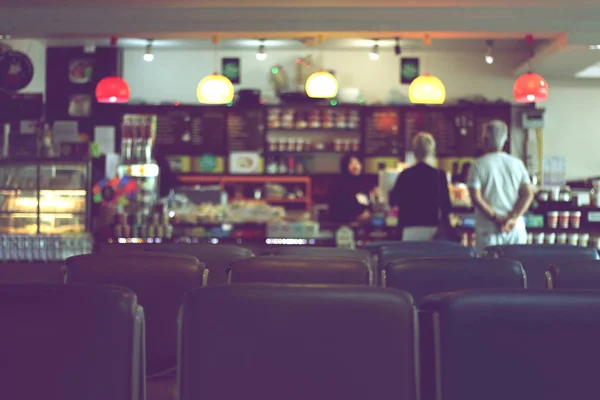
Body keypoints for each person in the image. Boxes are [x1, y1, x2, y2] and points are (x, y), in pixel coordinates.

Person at [467, 120, 534, 254]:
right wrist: (513, 218)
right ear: (505, 140)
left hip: (489, 232)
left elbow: (476, 197)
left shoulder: (478, 165)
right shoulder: (517, 164)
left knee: (489, 273)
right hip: (515, 230)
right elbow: (528, 194)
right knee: (516, 271)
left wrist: (496, 218)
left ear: (485, 139)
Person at [389, 132, 452, 241]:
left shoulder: (405, 174)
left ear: (413, 152)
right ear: (432, 151)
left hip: (409, 228)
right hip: (433, 228)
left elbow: (393, 201)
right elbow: (446, 206)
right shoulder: (439, 175)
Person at [329, 154, 372, 223]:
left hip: (363, 224)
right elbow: (338, 207)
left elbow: (368, 203)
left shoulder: (364, 183)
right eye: (351, 163)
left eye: (357, 163)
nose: (355, 166)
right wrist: (356, 217)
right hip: (344, 224)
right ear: (345, 166)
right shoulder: (338, 184)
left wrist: (368, 213)